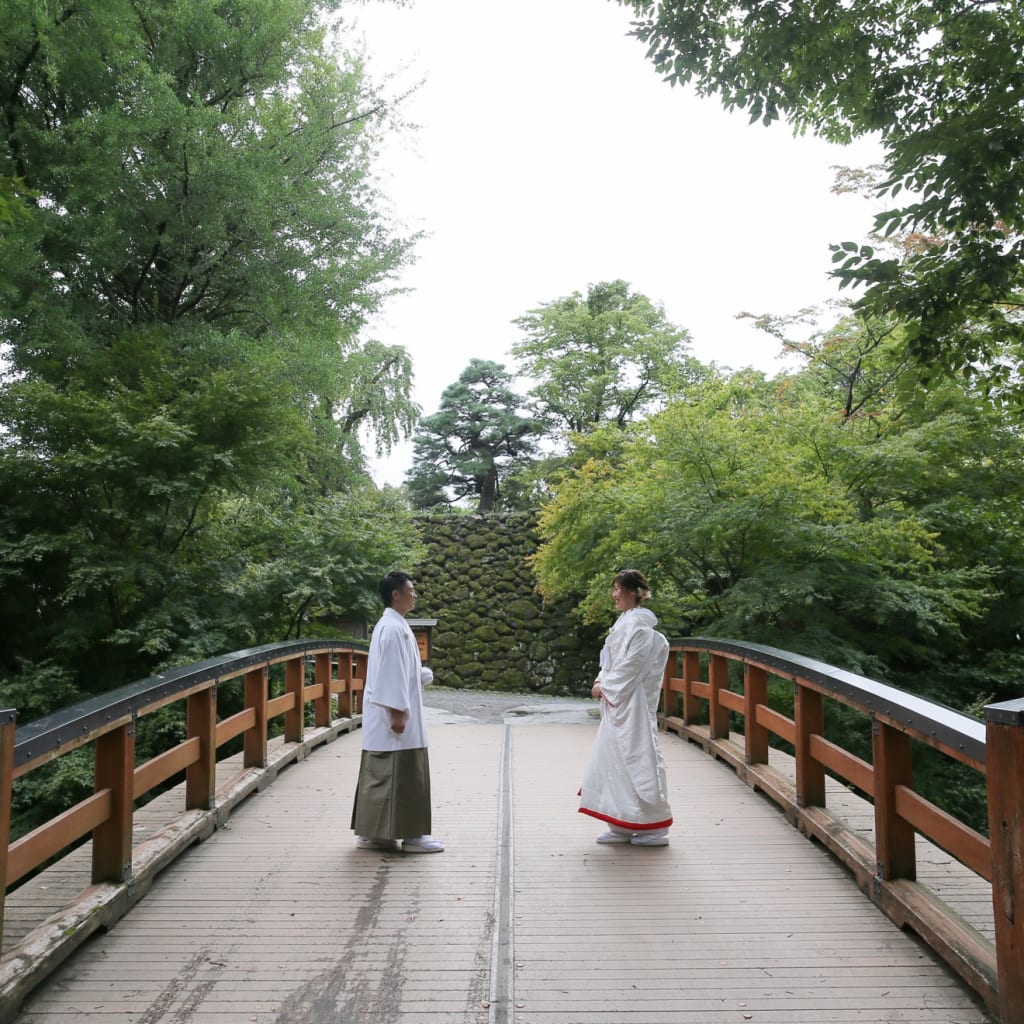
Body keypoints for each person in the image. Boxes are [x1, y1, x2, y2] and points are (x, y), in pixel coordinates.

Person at [351, 571, 444, 853]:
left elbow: (397, 670)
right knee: (401, 773)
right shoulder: (392, 628)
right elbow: (390, 674)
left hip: (391, 715)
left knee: (382, 775)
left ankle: (377, 833)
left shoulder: (392, 625)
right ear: (396, 594)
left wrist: (418, 676)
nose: (414, 595)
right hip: (395, 717)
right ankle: (411, 834)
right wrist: (397, 713)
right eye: (410, 590)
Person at [578, 569, 673, 846]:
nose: (615, 594)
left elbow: (632, 666)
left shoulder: (642, 630)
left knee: (639, 757)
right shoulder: (623, 625)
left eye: (619, 588)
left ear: (634, 592)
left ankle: (653, 826)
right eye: (615, 588)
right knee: (612, 759)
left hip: (632, 705)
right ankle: (621, 821)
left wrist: (604, 686)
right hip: (617, 705)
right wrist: (600, 679)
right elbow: (610, 662)